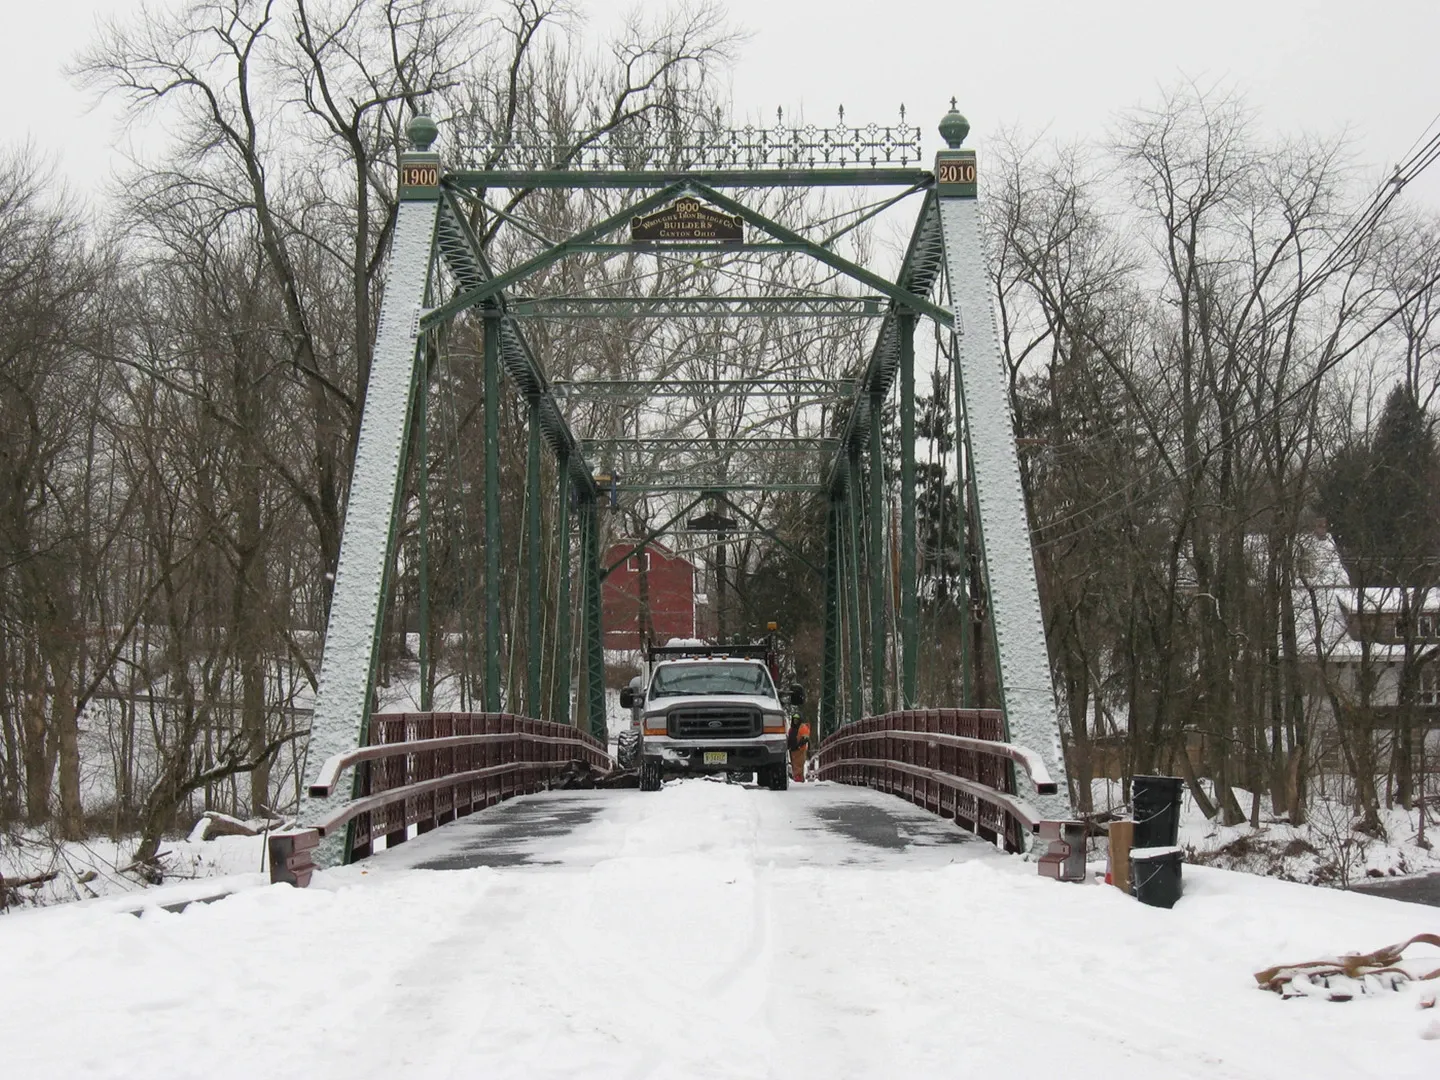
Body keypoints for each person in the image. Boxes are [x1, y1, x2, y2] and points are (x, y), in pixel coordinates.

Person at [787, 714, 811, 782]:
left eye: (797, 720)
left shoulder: (803, 727)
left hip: (800, 749)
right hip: (793, 750)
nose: (795, 721)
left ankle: (799, 778)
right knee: (795, 765)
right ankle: (797, 777)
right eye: (794, 719)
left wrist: (799, 745)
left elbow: (805, 738)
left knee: (799, 765)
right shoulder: (791, 729)